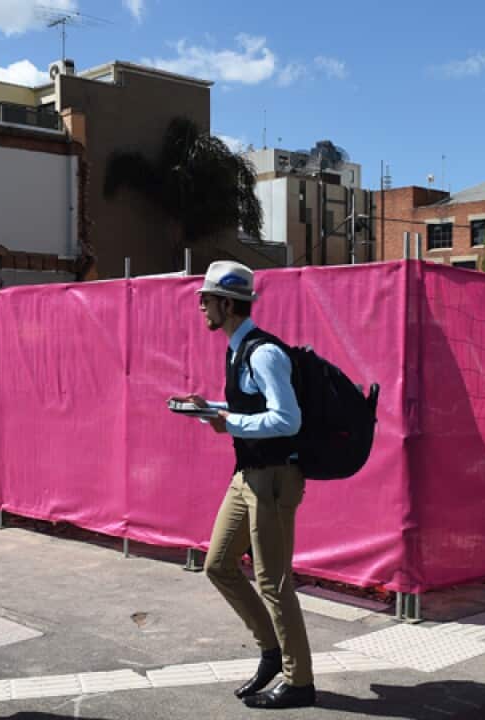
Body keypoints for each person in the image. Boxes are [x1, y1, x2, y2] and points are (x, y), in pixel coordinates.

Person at [169, 261, 316, 710]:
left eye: (206, 300)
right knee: (217, 565)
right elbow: (248, 411)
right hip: (247, 476)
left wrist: (228, 419)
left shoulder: (262, 352)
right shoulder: (236, 349)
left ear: (227, 304)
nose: (200, 308)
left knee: (273, 581)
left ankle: (300, 681)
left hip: (272, 479)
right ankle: (273, 652)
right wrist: (207, 408)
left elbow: (288, 419)